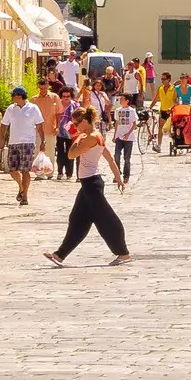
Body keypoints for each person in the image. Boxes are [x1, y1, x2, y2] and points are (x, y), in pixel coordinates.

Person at [42, 107, 130, 266]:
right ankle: (60, 255)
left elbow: (71, 154)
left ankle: (123, 253)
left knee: (106, 219)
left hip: (92, 183)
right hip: (88, 183)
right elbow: (110, 160)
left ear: (84, 121)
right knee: (77, 219)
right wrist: (118, 179)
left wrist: (75, 137)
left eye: (76, 123)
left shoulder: (91, 137)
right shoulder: (93, 136)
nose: (75, 126)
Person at [0, 86, 41, 206]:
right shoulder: (10, 109)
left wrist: (42, 142)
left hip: (28, 143)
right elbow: (4, 125)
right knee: (12, 170)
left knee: (25, 170)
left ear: (19, 96)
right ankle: (21, 187)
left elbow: (39, 125)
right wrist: (2, 139)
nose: (11, 97)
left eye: (13, 95)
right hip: (13, 143)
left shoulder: (33, 108)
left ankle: (25, 196)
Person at [111, 93, 140, 182]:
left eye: (122, 99)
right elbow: (116, 123)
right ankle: (117, 174)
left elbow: (134, 124)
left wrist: (128, 134)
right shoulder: (117, 110)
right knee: (116, 156)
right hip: (119, 137)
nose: (120, 100)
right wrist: (114, 135)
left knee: (127, 158)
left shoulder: (131, 111)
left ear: (127, 101)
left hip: (129, 138)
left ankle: (126, 176)